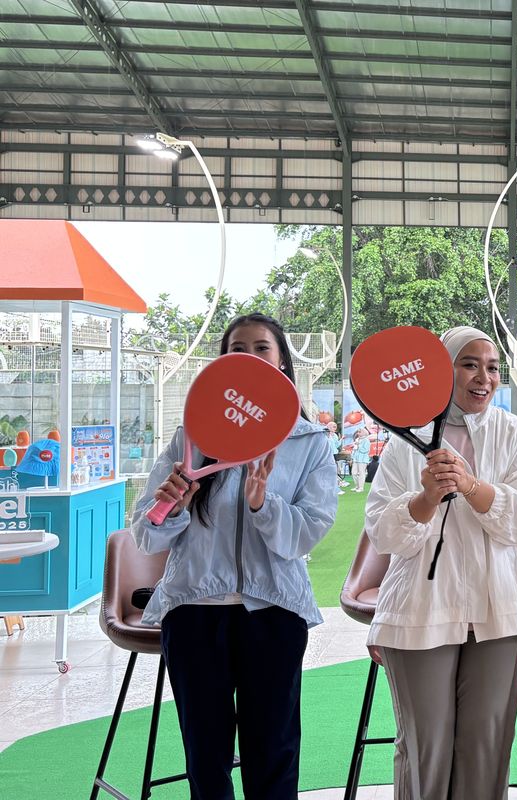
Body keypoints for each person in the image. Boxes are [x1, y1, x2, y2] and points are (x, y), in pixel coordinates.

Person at [130, 313, 338, 799]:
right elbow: (145, 535)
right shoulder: (190, 437)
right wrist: (172, 507)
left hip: (275, 613)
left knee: (274, 755)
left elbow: (306, 533)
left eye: (262, 347)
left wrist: (264, 505)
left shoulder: (309, 442)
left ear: (282, 362)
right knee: (206, 759)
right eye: (236, 349)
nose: (249, 357)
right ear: (222, 363)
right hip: (193, 613)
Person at [364, 326, 517, 800]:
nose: (484, 377)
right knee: (425, 750)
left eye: (493, 367)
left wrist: (470, 486)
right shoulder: (405, 442)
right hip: (420, 611)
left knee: (487, 747)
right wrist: (426, 497)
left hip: (499, 612)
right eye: (469, 364)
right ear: (443, 372)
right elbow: (383, 533)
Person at [350, 425, 372, 492]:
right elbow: (354, 449)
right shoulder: (357, 439)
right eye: (358, 432)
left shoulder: (366, 440)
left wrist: (358, 445)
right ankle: (357, 486)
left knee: (361, 473)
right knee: (353, 473)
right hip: (356, 459)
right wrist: (352, 458)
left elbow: (365, 450)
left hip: (363, 459)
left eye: (359, 432)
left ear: (364, 433)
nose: (358, 433)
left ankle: (361, 488)